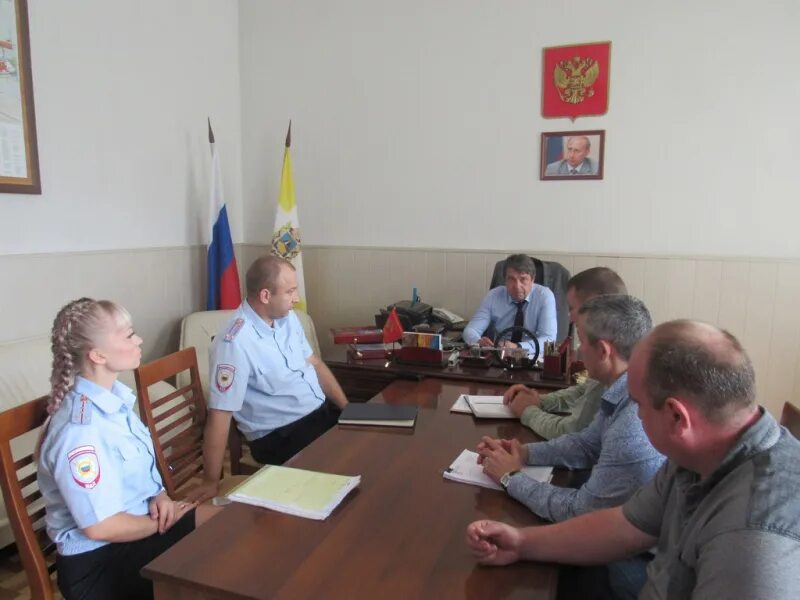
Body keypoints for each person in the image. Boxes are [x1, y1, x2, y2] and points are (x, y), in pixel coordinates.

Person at [467, 320, 800, 600]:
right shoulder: (701, 453)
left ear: (676, 417)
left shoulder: (753, 542)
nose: (635, 417)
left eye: (637, 404)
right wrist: (522, 542)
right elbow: (625, 525)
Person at [37, 298, 220, 600]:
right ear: (97, 354)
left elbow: (138, 475)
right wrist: (164, 519)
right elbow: (100, 527)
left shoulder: (116, 402)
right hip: (101, 563)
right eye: (128, 335)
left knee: (231, 526)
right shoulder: (79, 431)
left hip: (137, 529)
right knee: (220, 563)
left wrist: (160, 496)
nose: (139, 340)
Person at [477, 294, 663, 523]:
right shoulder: (623, 389)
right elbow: (586, 445)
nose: (578, 349)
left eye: (582, 341)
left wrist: (510, 477)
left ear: (604, 351)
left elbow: (581, 511)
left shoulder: (634, 423)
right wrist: (524, 453)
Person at [187, 255, 349, 504]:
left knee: (372, 441)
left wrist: (347, 409)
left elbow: (314, 363)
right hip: (281, 436)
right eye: (291, 291)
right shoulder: (235, 343)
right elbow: (220, 415)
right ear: (265, 296)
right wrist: (210, 480)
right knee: (347, 467)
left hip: (318, 415)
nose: (297, 299)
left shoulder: (287, 318)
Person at [504, 267, 628, 439]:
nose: (569, 317)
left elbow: (571, 432)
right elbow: (584, 390)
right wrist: (539, 401)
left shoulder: (609, 357)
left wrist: (527, 411)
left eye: (573, 308)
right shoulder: (620, 340)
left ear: (595, 307)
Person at [462, 254, 557, 353]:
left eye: (523, 279)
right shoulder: (493, 296)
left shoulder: (545, 296)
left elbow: (549, 341)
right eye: (511, 279)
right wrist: (478, 341)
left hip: (532, 358)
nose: (517, 286)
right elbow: (470, 331)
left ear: (532, 280)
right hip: (500, 356)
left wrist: (518, 347)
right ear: (505, 280)